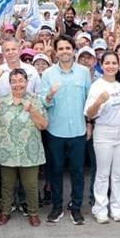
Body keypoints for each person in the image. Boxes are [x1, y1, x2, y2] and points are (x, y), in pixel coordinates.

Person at [40, 36, 91, 225]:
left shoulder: (84, 72)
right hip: (56, 131)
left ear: (73, 50)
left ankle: (76, 207)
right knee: (56, 171)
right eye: (60, 48)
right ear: (56, 52)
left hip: (78, 130)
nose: (64, 51)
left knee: (78, 171)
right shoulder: (48, 74)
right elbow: (42, 103)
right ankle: (56, 206)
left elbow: (89, 100)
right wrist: (50, 94)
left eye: (67, 48)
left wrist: (89, 123)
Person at [0, 69, 49, 226]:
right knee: (7, 185)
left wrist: (31, 110)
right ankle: (5, 212)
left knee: (30, 185)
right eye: (14, 81)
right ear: (9, 84)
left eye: (21, 80)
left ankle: (33, 213)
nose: (18, 84)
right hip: (7, 150)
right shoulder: (2, 101)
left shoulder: (35, 100)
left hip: (29, 151)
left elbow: (43, 125)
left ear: (26, 82)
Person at [85, 51, 120, 224]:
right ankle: (100, 208)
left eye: (114, 63)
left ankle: (117, 207)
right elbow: (89, 114)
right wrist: (99, 101)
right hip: (105, 133)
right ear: (102, 64)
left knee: (119, 173)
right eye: (107, 63)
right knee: (102, 173)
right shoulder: (97, 86)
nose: (111, 66)